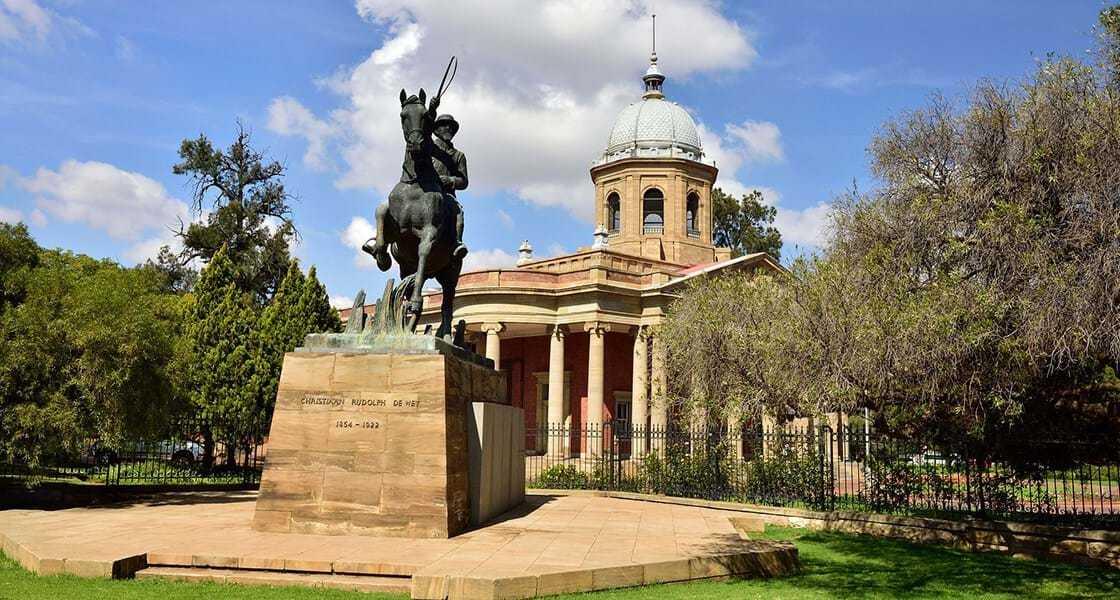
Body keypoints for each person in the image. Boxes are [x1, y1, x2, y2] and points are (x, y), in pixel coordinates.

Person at [431, 113, 469, 259]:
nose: (448, 128)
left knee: (458, 213)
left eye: (451, 126)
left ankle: (457, 243)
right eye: (444, 125)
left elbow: (464, 181)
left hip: (446, 195)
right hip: (425, 190)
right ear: (436, 130)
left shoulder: (458, 155)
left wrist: (450, 180)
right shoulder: (428, 149)